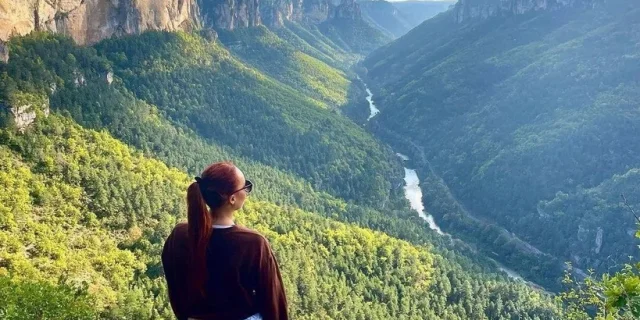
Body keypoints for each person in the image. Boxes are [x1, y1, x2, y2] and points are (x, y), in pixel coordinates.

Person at [162, 161, 288, 320]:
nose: (247, 191)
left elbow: (175, 283)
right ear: (232, 199)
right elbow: (273, 298)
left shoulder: (179, 235)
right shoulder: (253, 243)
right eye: (245, 187)